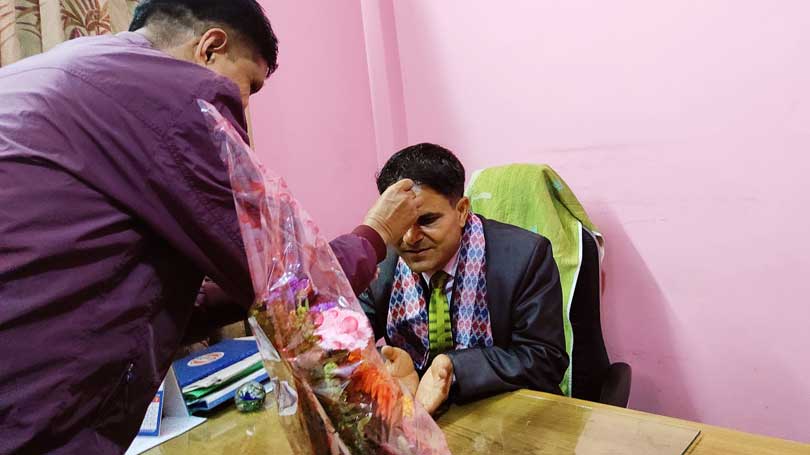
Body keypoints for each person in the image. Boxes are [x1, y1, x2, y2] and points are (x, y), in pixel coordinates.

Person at [0, 1, 419, 453]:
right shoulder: (175, 95)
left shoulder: (44, 76)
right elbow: (288, 283)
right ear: (210, 48)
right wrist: (377, 231)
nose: (245, 106)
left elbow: (133, 291)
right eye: (250, 85)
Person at [360, 143, 569, 415]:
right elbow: (343, 341)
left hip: (507, 414)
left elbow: (544, 359)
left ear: (461, 210)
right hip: (416, 415)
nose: (410, 238)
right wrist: (381, 366)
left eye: (427, 220)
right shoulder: (380, 264)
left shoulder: (525, 256)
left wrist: (455, 368)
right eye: (401, 223)